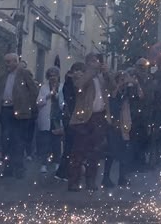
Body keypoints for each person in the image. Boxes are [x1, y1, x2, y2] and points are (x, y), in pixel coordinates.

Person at [67, 54, 112, 191]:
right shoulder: (81, 74)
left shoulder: (101, 77)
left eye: (98, 61)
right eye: (93, 61)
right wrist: (91, 72)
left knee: (96, 151)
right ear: (87, 63)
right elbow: (79, 86)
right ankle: (73, 182)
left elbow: (114, 87)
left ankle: (91, 180)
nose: (97, 63)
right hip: (84, 118)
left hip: (99, 117)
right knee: (79, 151)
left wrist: (107, 73)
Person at [0, 53, 38, 179]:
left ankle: (19, 169)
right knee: (6, 140)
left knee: (18, 141)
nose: (7, 64)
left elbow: (33, 91)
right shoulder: (4, 76)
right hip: (6, 110)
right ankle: (8, 169)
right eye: (5, 62)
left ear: (16, 61)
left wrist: (31, 108)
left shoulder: (24, 73)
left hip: (19, 111)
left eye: (9, 62)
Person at [36, 67, 63, 174]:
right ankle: (44, 164)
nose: (53, 78)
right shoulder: (43, 88)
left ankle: (57, 163)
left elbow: (63, 103)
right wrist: (47, 96)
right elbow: (38, 102)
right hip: (46, 118)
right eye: (50, 75)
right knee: (45, 143)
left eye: (55, 75)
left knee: (56, 143)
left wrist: (56, 96)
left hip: (57, 119)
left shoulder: (62, 87)